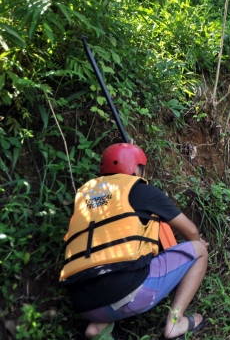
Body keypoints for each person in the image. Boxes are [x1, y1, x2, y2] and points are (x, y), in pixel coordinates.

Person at [59, 143, 209, 339]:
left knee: (112, 282)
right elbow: (190, 230)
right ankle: (175, 323)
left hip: (82, 304)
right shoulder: (141, 191)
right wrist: (197, 242)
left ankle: (97, 326)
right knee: (199, 250)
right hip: (127, 296)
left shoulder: (86, 198)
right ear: (136, 168)